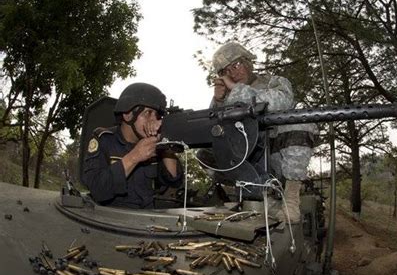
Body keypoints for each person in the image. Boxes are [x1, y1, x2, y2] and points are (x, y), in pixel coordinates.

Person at [207, 42, 317, 223]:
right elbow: (212, 126)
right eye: (226, 71)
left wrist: (237, 91)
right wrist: (218, 102)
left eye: (236, 65)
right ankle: (257, 200)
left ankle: (290, 199)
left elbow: (281, 102)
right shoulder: (225, 96)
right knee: (205, 153)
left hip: (276, 156)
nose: (233, 73)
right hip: (244, 159)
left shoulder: (273, 82)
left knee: (301, 121)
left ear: (248, 62)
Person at [82, 83, 183, 209]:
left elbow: (174, 180)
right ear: (128, 115)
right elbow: (98, 190)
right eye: (148, 113)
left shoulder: (156, 144)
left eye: (157, 115)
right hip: (110, 219)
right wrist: (135, 156)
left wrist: (166, 142)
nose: (153, 120)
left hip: (147, 220)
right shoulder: (104, 139)